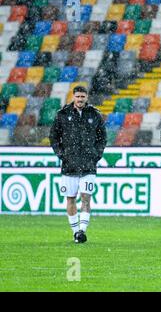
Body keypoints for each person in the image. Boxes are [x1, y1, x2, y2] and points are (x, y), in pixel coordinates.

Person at [49, 86, 106, 244]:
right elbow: (53, 137)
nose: (80, 99)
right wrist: (61, 155)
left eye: (83, 96)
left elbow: (102, 138)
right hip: (69, 165)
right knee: (70, 199)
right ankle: (75, 233)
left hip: (88, 165)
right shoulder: (62, 114)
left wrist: (96, 155)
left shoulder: (94, 114)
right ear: (73, 96)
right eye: (78, 96)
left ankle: (82, 230)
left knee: (86, 198)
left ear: (87, 97)